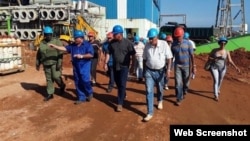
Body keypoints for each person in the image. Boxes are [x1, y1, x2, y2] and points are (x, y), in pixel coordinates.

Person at [49, 30, 94, 105]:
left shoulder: (87, 45)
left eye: (76, 38)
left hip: (85, 65)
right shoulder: (73, 45)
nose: (74, 39)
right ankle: (81, 97)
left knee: (85, 80)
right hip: (76, 66)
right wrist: (55, 46)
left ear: (81, 38)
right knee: (78, 81)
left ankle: (89, 92)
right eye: (75, 38)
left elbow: (91, 55)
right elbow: (65, 48)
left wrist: (82, 56)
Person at [142, 28, 173, 121]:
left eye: (152, 38)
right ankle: (150, 112)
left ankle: (160, 100)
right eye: (149, 38)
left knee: (160, 88)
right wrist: (144, 71)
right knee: (149, 90)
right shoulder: (147, 46)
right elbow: (144, 59)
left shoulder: (164, 44)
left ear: (157, 37)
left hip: (160, 71)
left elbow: (169, 58)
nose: (150, 40)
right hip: (149, 71)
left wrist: (168, 70)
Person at [104, 25, 136, 112]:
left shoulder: (128, 43)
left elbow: (133, 55)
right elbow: (108, 53)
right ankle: (123, 94)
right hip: (115, 66)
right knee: (118, 83)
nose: (113, 36)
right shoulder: (112, 43)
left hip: (124, 67)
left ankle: (120, 103)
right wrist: (105, 63)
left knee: (122, 84)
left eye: (115, 34)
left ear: (120, 34)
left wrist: (132, 66)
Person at [36, 26, 66, 101]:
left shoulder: (56, 41)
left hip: (55, 63)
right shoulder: (42, 43)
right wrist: (38, 63)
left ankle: (62, 85)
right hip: (46, 63)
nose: (48, 36)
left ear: (52, 34)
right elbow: (39, 54)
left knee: (56, 76)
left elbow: (60, 52)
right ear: (44, 35)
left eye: (49, 34)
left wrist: (59, 63)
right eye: (46, 34)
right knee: (49, 79)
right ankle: (50, 93)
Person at [208, 36, 240, 101]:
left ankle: (218, 89)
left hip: (223, 68)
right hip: (214, 67)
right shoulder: (214, 50)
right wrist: (214, 59)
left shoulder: (227, 51)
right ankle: (216, 95)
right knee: (216, 80)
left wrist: (236, 67)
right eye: (221, 43)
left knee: (220, 80)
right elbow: (209, 57)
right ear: (219, 43)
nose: (223, 44)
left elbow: (230, 60)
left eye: (224, 43)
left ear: (225, 44)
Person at [171, 27, 196, 106]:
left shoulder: (188, 44)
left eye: (179, 36)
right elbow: (171, 57)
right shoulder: (173, 45)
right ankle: (179, 98)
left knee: (186, 83)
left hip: (187, 66)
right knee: (178, 83)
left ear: (182, 35)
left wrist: (194, 66)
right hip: (177, 66)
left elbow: (192, 55)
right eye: (176, 36)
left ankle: (185, 90)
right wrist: (170, 67)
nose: (178, 38)